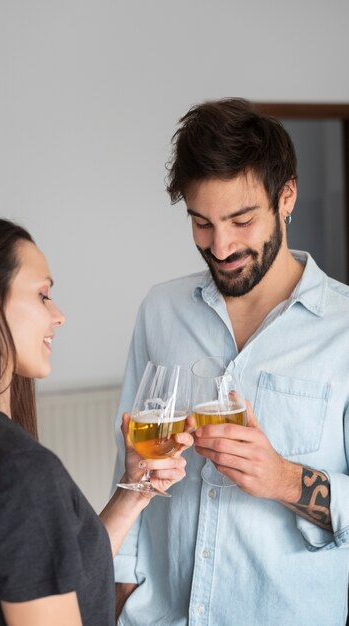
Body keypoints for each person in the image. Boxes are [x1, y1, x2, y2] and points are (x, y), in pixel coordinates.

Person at [113, 98, 349, 625]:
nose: (220, 247)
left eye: (241, 221)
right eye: (202, 223)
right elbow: (126, 469)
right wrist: (122, 597)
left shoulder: (344, 332)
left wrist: (285, 479)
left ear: (286, 196)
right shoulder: (161, 309)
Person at [0, 214, 193, 626]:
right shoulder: (17, 472)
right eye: (43, 295)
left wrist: (135, 492)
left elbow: (46, 574)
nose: (59, 316)